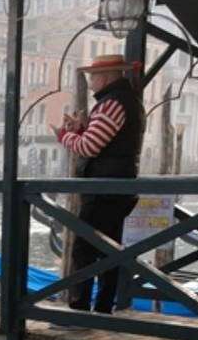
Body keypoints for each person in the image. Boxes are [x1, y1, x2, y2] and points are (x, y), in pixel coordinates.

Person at [53, 54, 143, 314]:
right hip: (116, 187)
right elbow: (105, 142)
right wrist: (81, 129)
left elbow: (89, 148)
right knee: (109, 249)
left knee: (84, 249)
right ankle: (103, 307)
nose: (90, 82)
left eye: (92, 77)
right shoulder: (124, 101)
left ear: (105, 77)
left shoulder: (111, 104)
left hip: (104, 190)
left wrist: (65, 136)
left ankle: (80, 308)